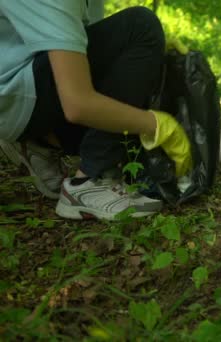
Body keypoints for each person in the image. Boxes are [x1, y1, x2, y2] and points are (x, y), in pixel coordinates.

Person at [0, 1, 192, 220]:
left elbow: (87, 57)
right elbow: (78, 105)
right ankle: (88, 182)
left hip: (17, 84)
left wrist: (146, 60)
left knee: (136, 44)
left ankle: (42, 140)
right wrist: (156, 125)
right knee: (140, 27)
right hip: (11, 95)